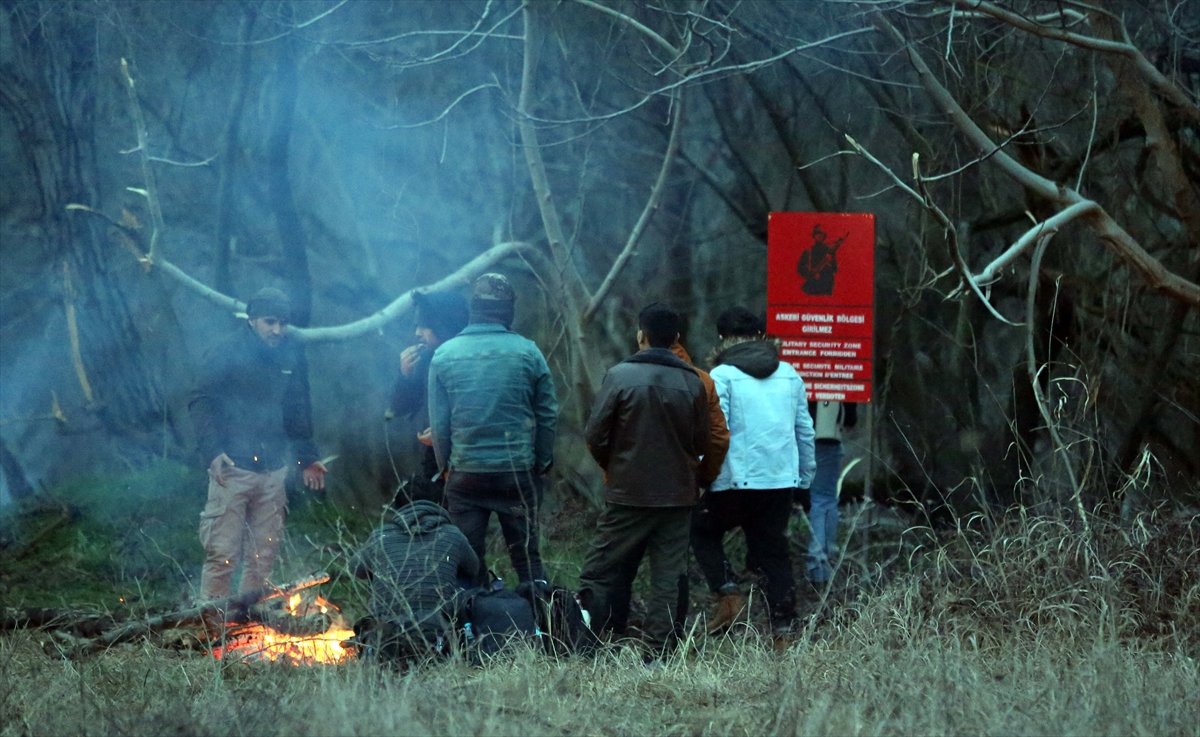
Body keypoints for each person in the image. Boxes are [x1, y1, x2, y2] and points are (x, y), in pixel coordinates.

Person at [577, 303, 710, 656]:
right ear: (676, 338)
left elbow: (595, 435)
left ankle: (587, 642)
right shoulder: (692, 381)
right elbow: (701, 443)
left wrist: (616, 467)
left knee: (599, 570)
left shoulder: (619, 376)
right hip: (678, 496)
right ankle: (658, 652)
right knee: (668, 577)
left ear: (641, 336)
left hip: (628, 493)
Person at [188, 287, 327, 611]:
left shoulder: (290, 355)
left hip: (273, 471)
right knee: (222, 552)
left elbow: (297, 410)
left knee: (263, 554)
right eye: (270, 322)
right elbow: (200, 400)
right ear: (252, 320)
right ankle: (213, 623)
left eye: (282, 323)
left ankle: (248, 620)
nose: (277, 330)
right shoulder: (225, 351)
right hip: (232, 468)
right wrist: (212, 451)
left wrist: (308, 458)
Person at [690, 306, 816, 637]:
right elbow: (804, 432)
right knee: (773, 554)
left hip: (733, 483)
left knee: (700, 530)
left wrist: (702, 477)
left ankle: (728, 594)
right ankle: (784, 633)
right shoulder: (789, 374)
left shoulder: (721, 376)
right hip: (779, 482)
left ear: (721, 338)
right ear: (761, 336)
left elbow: (715, 432)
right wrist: (804, 481)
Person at [427, 272, 557, 587]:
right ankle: (541, 615)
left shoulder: (444, 355)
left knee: (467, 565)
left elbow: (439, 424)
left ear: (473, 309)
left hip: (466, 476)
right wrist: (541, 462)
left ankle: (472, 617)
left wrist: (445, 467)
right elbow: (547, 414)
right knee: (527, 560)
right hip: (516, 474)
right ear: (508, 310)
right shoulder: (528, 352)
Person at [350, 498, 479, 660]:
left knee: (372, 568)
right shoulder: (452, 534)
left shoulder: (380, 535)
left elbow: (355, 569)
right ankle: (465, 634)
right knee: (463, 573)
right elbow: (474, 568)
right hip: (438, 631)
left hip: (386, 632)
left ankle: (383, 625)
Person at [384, 290, 469, 506]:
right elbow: (397, 410)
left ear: (443, 325)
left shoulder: (470, 360)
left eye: (424, 326)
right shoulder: (426, 358)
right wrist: (405, 376)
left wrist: (444, 433)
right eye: (416, 326)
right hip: (433, 458)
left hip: (467, 461)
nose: (417, 333)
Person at [805, 400, 857, 584]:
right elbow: (849, 419)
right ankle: (820, 568)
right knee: (823, 500)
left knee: (777, 498)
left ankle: (770, 570)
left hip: (784, 438)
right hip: (825, 437)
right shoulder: (836, 380)